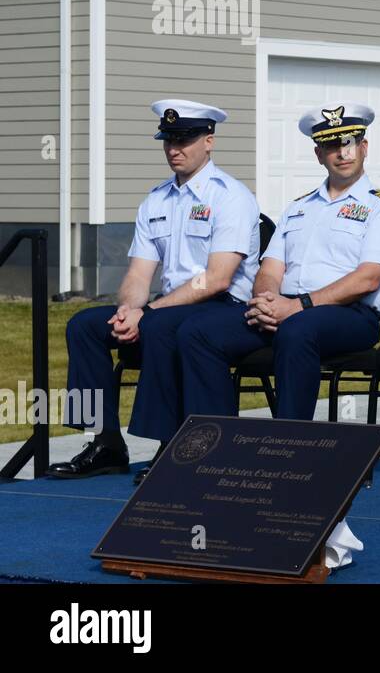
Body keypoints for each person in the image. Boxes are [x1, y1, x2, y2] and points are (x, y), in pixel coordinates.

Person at [48, 100, 259, 481]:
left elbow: (217, 278)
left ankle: (172, 445)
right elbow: (138, 274)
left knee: (161, 326)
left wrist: (148, 313)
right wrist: (128, 310)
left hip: (225, 307)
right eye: (168, 140)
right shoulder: (156, 200)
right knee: (85, 325)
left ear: (209, 141)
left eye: (185, 139)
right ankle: (105, 442)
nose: (174, 148)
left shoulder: (231, 196)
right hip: (172, 307)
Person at [177, 102, 380, 421]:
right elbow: (270, 269)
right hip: (286, 311)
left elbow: (368, 279)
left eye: (349, 143)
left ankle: (289, 441)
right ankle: (216, 439)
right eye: (331, 146)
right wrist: (267, 302)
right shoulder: (298, 208)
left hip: (350, 315)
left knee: (297, 331)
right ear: (319, 154)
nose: (342, 153)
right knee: (198, 332)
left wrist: (298, 306)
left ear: (363, 148)